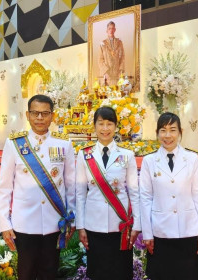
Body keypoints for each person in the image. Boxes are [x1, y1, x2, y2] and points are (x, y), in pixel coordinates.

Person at [0, 94, 76, 280]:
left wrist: (72, 217)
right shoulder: (14, 144)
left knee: (50, 272)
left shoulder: (64, 143)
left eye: (45, 113)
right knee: (26, 273)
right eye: (35, 113)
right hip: (24, 223)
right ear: (27, 114)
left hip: (54, 222)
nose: (40, 118)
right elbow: (4, 187)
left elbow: (70, 185)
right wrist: (5, 223)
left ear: (52, 116)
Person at [76, 106, 140, 280]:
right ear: (94, 126)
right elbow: (80, 194)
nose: (105, 129)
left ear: (116, 126)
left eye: (109, 124)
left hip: (120, 225)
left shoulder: (127, 155)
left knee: (121, 272)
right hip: (94, 225)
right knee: (98, 272)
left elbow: (134, 192)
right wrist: (80, 226)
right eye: (101, 124)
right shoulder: (84, 155)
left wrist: (138, 224)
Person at [139, 112, 198, 280]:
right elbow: (145, 198)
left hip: (188, 231)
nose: (167, 135)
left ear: (180, 132)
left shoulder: (192, 159)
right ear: (157, 133)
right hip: (160, 233)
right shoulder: (149, 161)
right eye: (163, 130)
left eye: (172, 130)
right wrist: (147, 233)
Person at [98, 21, 125, 86]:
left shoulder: (119, 42)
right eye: (109, 28)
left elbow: (122, 57)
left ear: (115, 30)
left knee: (117, 94)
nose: (111, 30)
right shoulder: (103, 44)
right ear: (106, 30)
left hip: (116, 73)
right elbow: (100, 60)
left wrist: (121, 70)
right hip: (107, 74)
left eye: (113, 28)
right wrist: (105, 72)